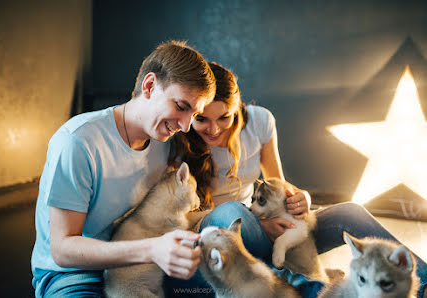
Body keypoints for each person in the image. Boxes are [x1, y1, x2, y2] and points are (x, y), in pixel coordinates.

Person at [167, 62, 427, 298]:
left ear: (238, 108)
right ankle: (313, 291)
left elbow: (279, 184)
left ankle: (423, 282)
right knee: (231, 211)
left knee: (350, 212)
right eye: (202, 119)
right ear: (193, 112)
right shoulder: (178, 133)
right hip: (223, 233)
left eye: (224, 117)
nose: (214, 129)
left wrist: (302, 198)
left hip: (269, 221)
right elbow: (178, 217)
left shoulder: (259, 121)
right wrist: (260, 225)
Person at [31, 40, 217, 297]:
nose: (185, 126)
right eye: (181, 107)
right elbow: (62, 250)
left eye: (194, 115)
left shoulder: (164, 143)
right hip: (75, 272)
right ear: (149, 86)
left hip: (143, 264)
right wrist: (152, 249)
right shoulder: (78, 141)